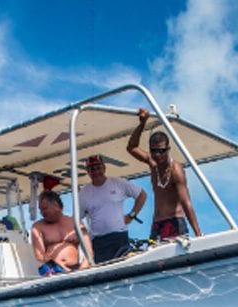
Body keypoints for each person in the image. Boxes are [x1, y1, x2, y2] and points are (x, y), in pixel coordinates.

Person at [127, 108, 202, 240]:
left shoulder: (176, 170)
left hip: (175, 223)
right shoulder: (152, 163)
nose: (157, 155)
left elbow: (186, 202)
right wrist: (142, 123)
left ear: (168, 149)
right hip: (157, 225)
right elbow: (132, 147)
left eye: (161, 151)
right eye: (154, 150)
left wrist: (198, 234)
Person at [78, 154, 147, 264]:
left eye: (98, 168)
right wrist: (85, 236)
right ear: (88, 171)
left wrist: (132, 215)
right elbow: (77, 219)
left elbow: (142, 195)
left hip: (119, 238)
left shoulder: (118, 183)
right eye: (92, 169)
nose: (96, 172)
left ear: (104, 168)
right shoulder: (84, 193)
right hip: (98, 242)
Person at [31, 191, 93, 276]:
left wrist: (82, 269)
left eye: (45, 208)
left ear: (56, 205)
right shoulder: (37, 227)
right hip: (52, 270)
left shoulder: (76, 222)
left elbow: (88, 250)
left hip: (77, 268)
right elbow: (40, 255)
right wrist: (60, 265)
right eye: (40, 210)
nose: (42, 213)